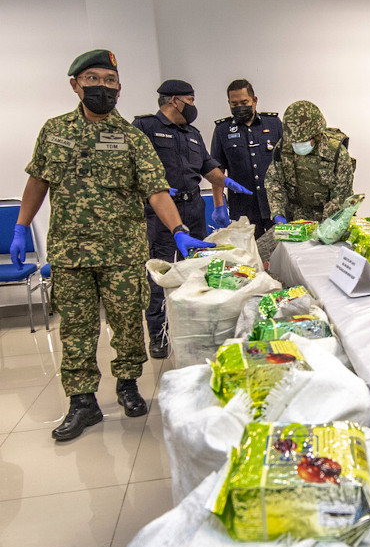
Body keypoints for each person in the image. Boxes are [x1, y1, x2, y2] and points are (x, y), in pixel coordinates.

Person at [9, 49, 212, 441]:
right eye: (92, 79)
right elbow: (38, 180)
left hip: (123, 251)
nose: (102, 86)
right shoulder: (54, 131)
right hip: (70, 251)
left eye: (109, 80)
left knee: (126, 324)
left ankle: (128, 385)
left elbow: (155, 190)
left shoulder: (133, 138)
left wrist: (178, 230)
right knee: (77, 328)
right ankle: (82, 402)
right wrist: (21, 225)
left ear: (119, 88)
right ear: (75, 85)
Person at [133, 79, 253, 357]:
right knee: (160, 274)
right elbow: (132, 170)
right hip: (160, 213)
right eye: (191, 100)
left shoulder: (193, 133)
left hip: (194, 210)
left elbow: (208, 168)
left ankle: (193, 327)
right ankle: (158, 334)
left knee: (196, 272)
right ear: (174, 100)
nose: (193, 106)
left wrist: (225, 182)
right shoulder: (144, 128)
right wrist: (154, 188)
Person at [210, 79, 282, 239]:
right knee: (248, 257)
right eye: (234, 104)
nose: (240, 107)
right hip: (243, 208)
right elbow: (216, 171)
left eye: (244, 102)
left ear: (254, 100)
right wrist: (218, 205)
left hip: (274, 205)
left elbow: (286, 163)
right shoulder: (223, 130)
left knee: (280, 255)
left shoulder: (274, 124)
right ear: (229, 103)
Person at [265, 100, 355, 225]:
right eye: (294, 141)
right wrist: (278, 213)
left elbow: (341, 196)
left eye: (303, 141)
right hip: (295, 221)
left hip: (331, 220)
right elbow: (274, 182)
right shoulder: (283, 148)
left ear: (316, 135)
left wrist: (324, 227)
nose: (297, 145)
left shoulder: (336, 152)